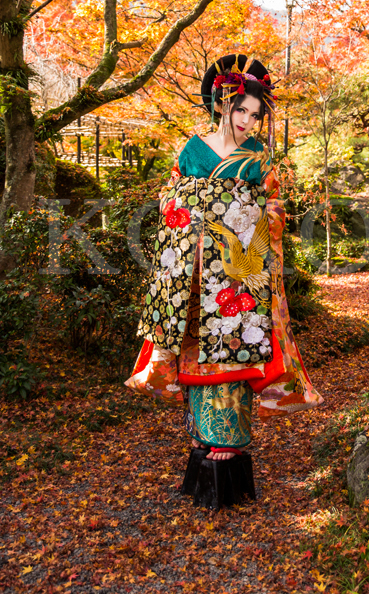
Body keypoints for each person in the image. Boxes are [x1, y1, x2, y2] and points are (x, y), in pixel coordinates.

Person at [126, 53, 323, 470]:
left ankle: (229, 438)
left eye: (254, 115)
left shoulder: (259, 157)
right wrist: (185, 209)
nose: (248, 121)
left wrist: (246, 216)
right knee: (194, 345)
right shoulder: (192, 150)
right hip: (194, 267)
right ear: (221, 104)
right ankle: (200, 432)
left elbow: (273, 204)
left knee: (235, 347)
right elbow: (170, 196)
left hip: (237, 268)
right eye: (241, 110)